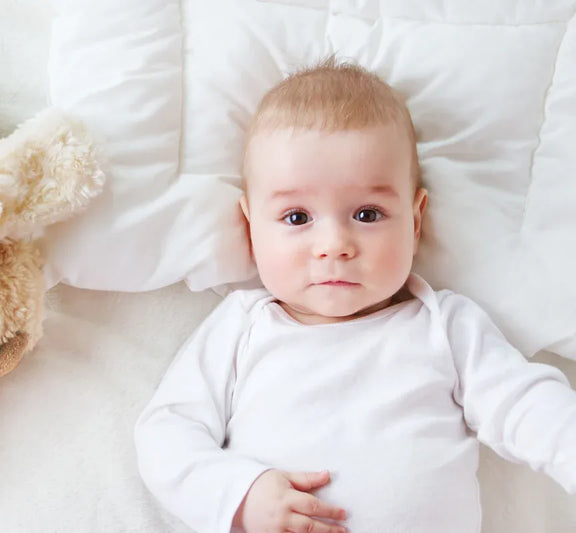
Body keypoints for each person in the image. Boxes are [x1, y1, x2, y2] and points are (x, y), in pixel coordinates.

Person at [133, 58, 576, 533]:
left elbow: (526, 406)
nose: (334, 246)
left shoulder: (444, 325)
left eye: (367, 214)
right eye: (297, 217)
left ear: (415, 218)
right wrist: (240, 494)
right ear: (249, 224)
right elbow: (167, 434)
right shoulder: (243, 326)